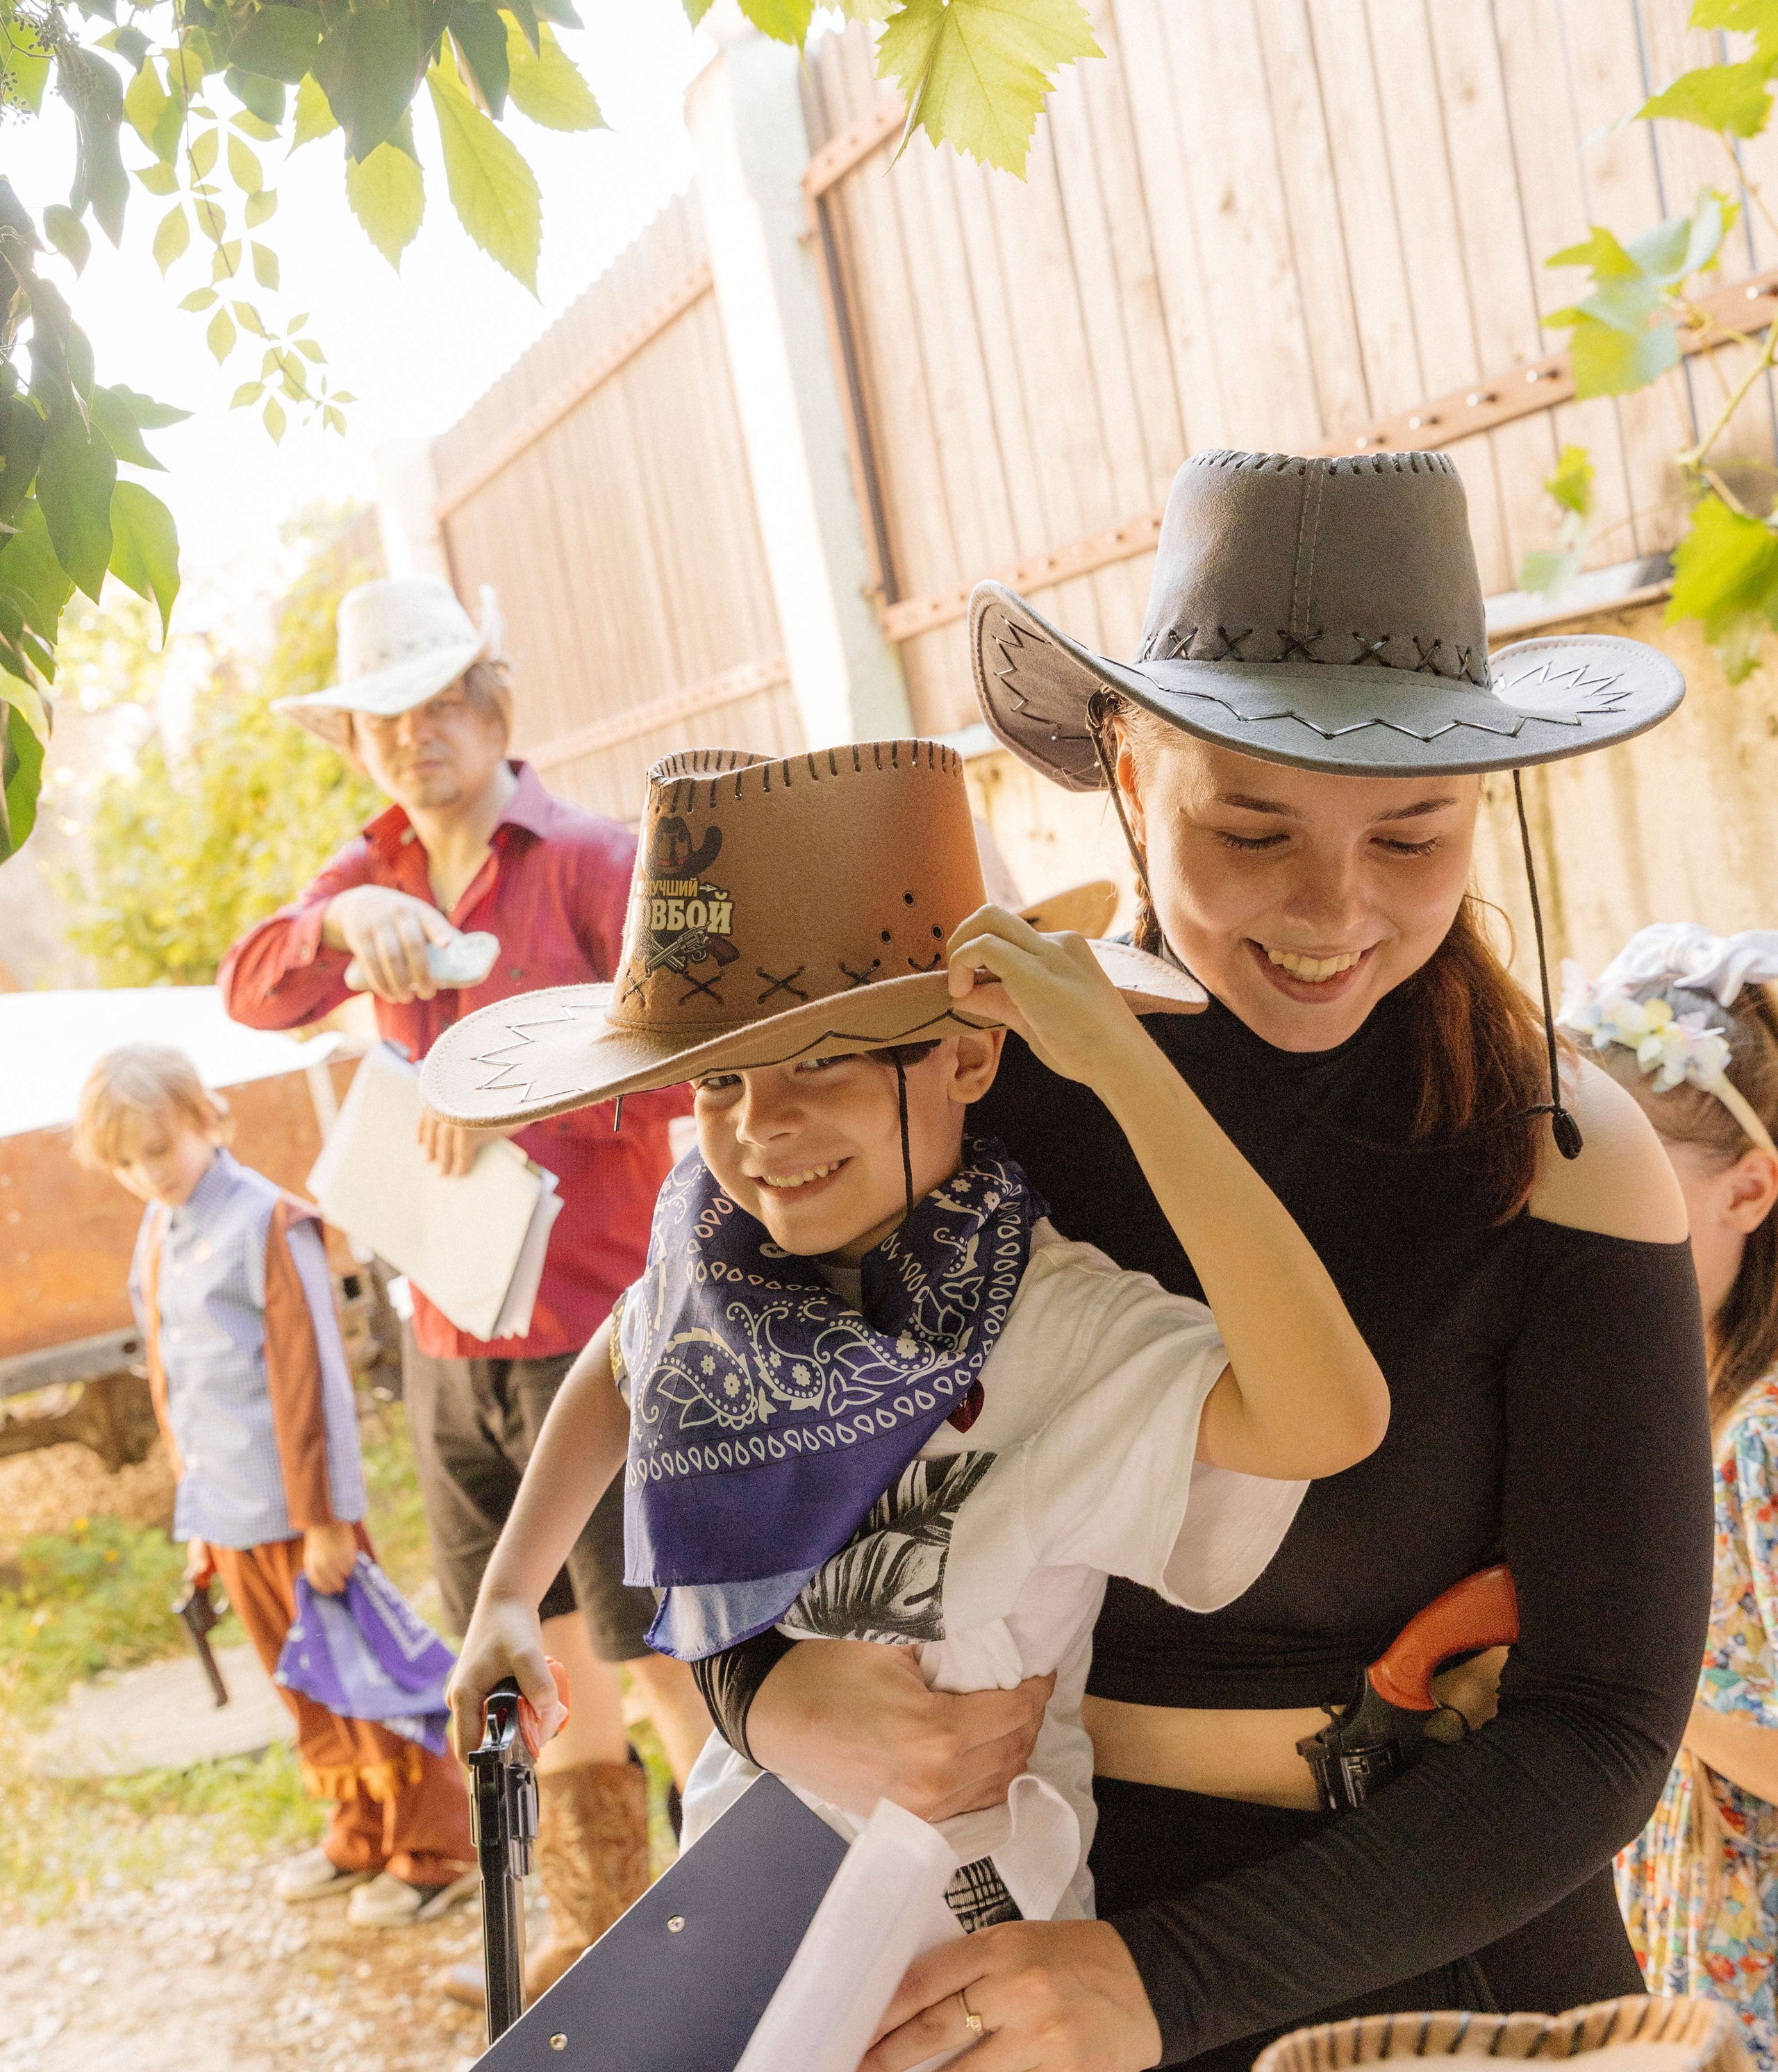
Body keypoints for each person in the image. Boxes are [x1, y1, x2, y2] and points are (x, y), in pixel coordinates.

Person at [690, 451, 1716, 2072]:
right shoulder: (957, 1078)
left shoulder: (1572, 1158)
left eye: (1415, 841)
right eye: (1254, 832)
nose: (1337, 912)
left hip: (1443, 1977)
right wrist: (762, 1688)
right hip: (989, 1981)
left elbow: (1600, 1732)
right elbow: (695, 1457)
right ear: (1122, 768)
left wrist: (1151, 1983)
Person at [428, 740, 1388, 1937]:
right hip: (739, 1903)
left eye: (821, 1064)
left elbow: (1328, 1419)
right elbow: (630, 1359)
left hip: (972, 1953)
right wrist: (509, 1594)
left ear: (972, 1054)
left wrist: (1125, 1073)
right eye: (717, 1083)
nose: (762, 1129)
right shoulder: (720, 1260)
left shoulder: (1058, 1329)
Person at [218, 574, 710, 1996]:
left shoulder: (596, 859)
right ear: (356, 743)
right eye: (384, 715)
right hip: (449, 1335)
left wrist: (519, 1098)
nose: (414, 735)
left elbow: (688, 1045)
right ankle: (612, 1953)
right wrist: (338, 918)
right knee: (536, 1663)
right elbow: (254, 991)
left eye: (441, 702)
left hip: (600, 1331)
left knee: (658, 1657)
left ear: (497, 710)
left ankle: (751, 1955)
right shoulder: (363, 873)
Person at [74, 1043, 476, 1919]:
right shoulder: (158, 1231)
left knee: (366, 1678)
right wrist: (199, 1524)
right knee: (300, 1683)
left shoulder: (271, 1221)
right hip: (229, 1515)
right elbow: (173, 1383)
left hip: (302, 1515)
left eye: (160, 1149)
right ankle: (360, 1830)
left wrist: (329, 1517)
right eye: (126, 1162)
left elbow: (315, 1379)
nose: (148, 1173)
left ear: (205, 1119)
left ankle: (436, 1847)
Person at [1563, 926, 1778, 2072]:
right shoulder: (1640, 1410)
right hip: (1683, 1975)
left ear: (1748, 1190)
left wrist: (1619, 1675)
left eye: (1639, 1189)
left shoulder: (1765, 1434)